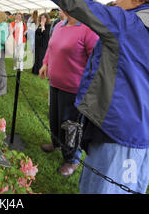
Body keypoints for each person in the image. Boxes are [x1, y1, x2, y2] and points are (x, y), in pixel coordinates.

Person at [21, 0, 149, 194]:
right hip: (144, 123)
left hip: (120, 128)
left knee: (104, 187)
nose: (115, 1)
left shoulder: (128, 23)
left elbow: (82, 4)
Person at [39, 11, 99, 176]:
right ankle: (57, 143)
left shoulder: (88, 30)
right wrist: (45, 64)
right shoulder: (59, 25)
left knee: (71, 125)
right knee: (55, 118)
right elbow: (51, 48)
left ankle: (72, 159)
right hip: (55, 84)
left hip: (74, 89)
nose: (61, 8)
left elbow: (96, 61)